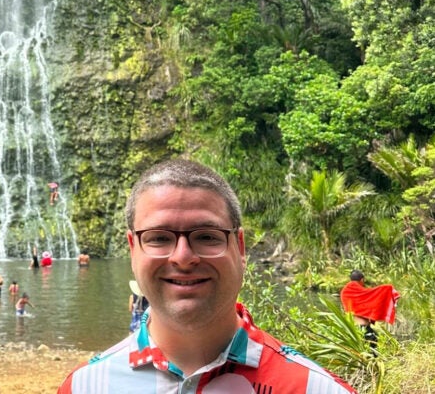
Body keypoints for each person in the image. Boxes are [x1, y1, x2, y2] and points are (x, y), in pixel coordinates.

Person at [58, 158, 357, 393]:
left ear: (239, 247)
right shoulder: (84, 387)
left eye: (207, 236)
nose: (183, 257)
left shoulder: (316, 388)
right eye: (159, 238)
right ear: (133, 249)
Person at [340, 269, 400, 352]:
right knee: (373, 351)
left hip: (351, 329)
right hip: (363, 329)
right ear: (362, 280)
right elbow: (374, 294)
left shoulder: (345, 291)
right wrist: (391, 291)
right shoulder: (361, 291)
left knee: (357, 353)